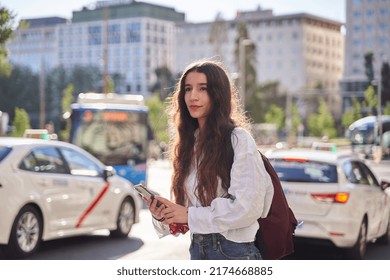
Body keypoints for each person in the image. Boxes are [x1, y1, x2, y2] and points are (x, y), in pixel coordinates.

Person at [146, 59, 274, 260]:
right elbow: (188, 217)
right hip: (198, 250)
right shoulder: (190, 143)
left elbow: (247, 208)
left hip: (233, 253)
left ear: (218, 94)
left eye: (202, 89)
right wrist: (163, 215)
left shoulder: (238, 139)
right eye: (187, 89)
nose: (192, 96)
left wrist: (188, 215)